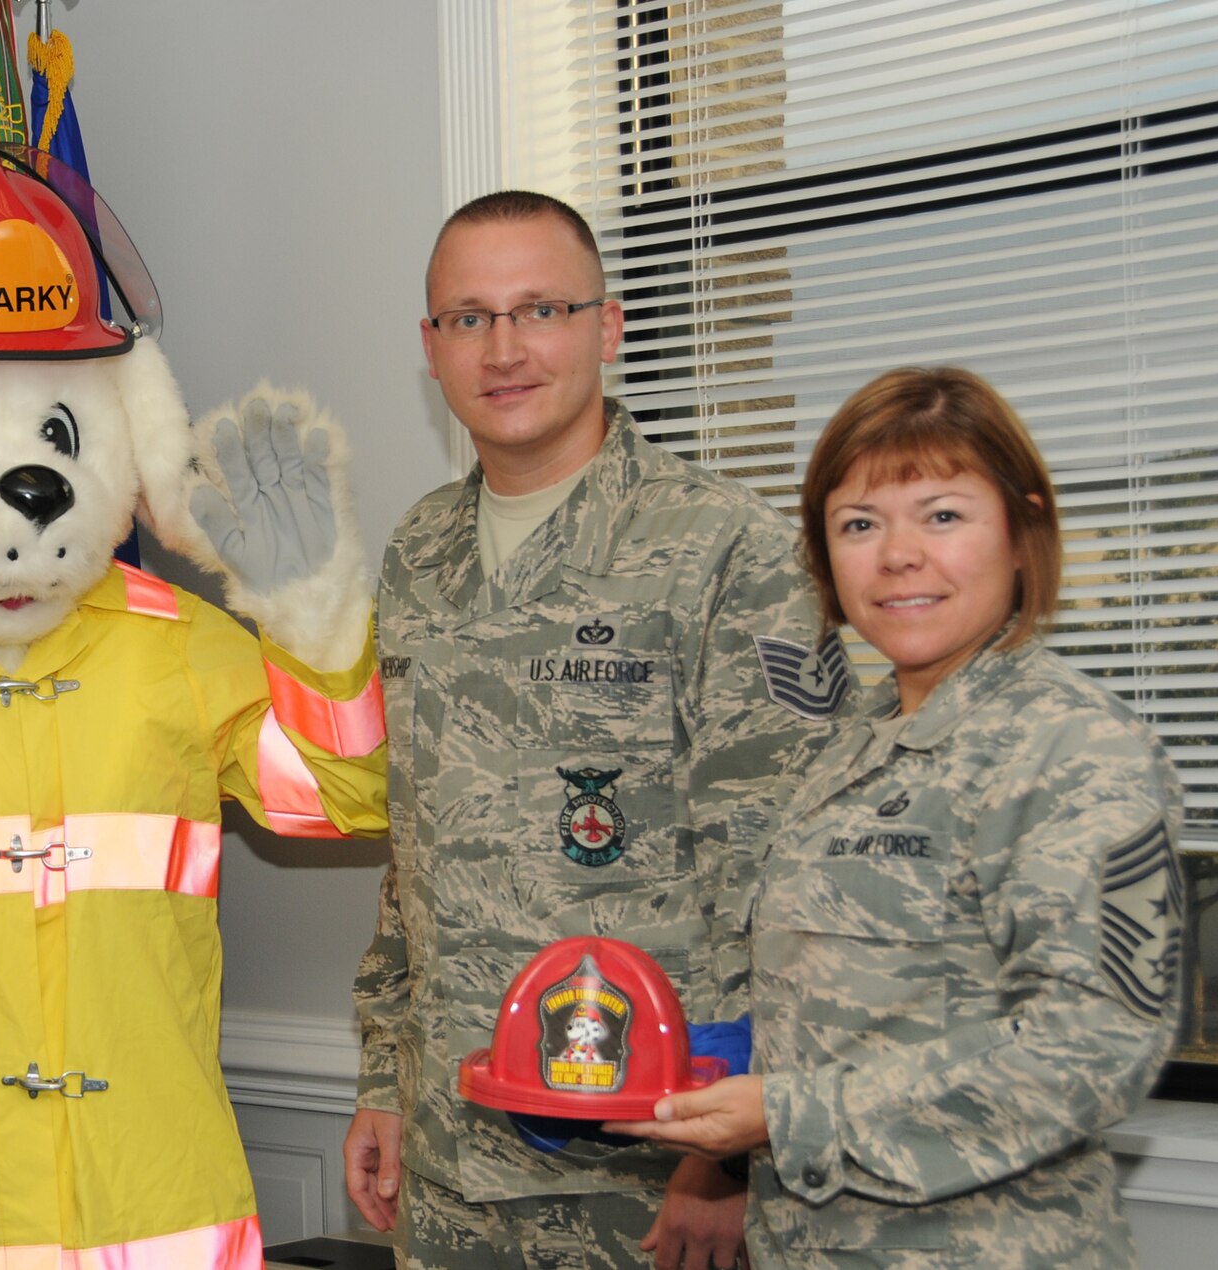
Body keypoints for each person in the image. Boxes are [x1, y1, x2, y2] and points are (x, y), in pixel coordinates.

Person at [347, 190, 850, 1269]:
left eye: (540, 309)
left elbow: (784, 881)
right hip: (447, 1162)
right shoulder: (417, 554)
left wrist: (726, 1159)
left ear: (606, 326)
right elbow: (415, 844)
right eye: (467, 318)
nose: (505, 347)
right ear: (428, 349)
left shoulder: (727, 552)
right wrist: (384, 1080)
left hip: (646, 1169)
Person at [604, 367, 1185, 1267]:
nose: (899, 555)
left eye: (943, 515)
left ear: (1024, 532)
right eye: (860, 525)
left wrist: (791, 1117)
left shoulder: (1073, 752)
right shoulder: (850, 749)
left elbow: (1093, 1049)